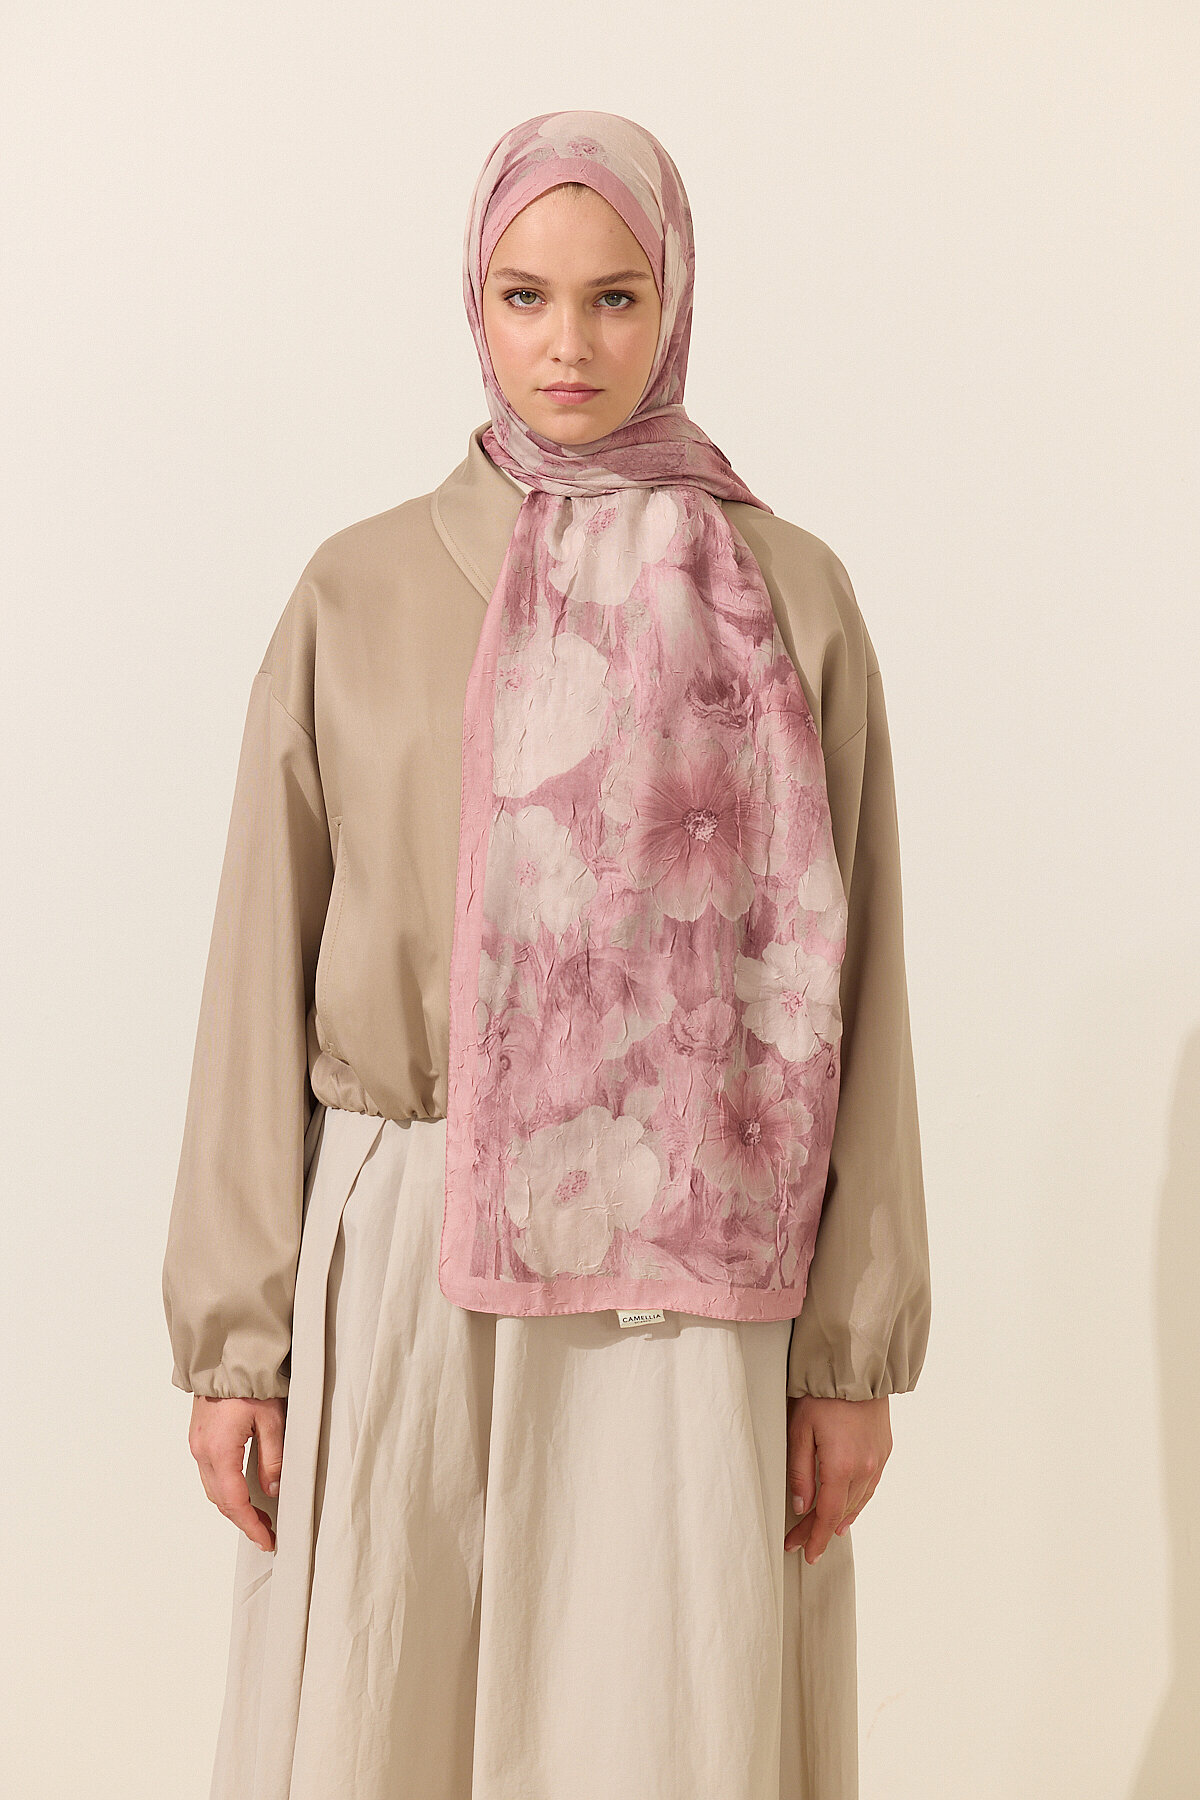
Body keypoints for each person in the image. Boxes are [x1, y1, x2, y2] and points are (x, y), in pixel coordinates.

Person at [162, 109, 931, 1800]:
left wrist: (851, 1356)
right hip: (409, 1256)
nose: (567, 344)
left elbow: (860, 1003)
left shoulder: (791, 598)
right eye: (525, 296)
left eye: (613, 297)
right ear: (475, 303)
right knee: (386, 1730)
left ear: (677, 304)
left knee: (660, 1732)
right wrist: (238, 1340)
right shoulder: (354, 592)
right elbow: (256, 969)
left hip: (692, 1291)